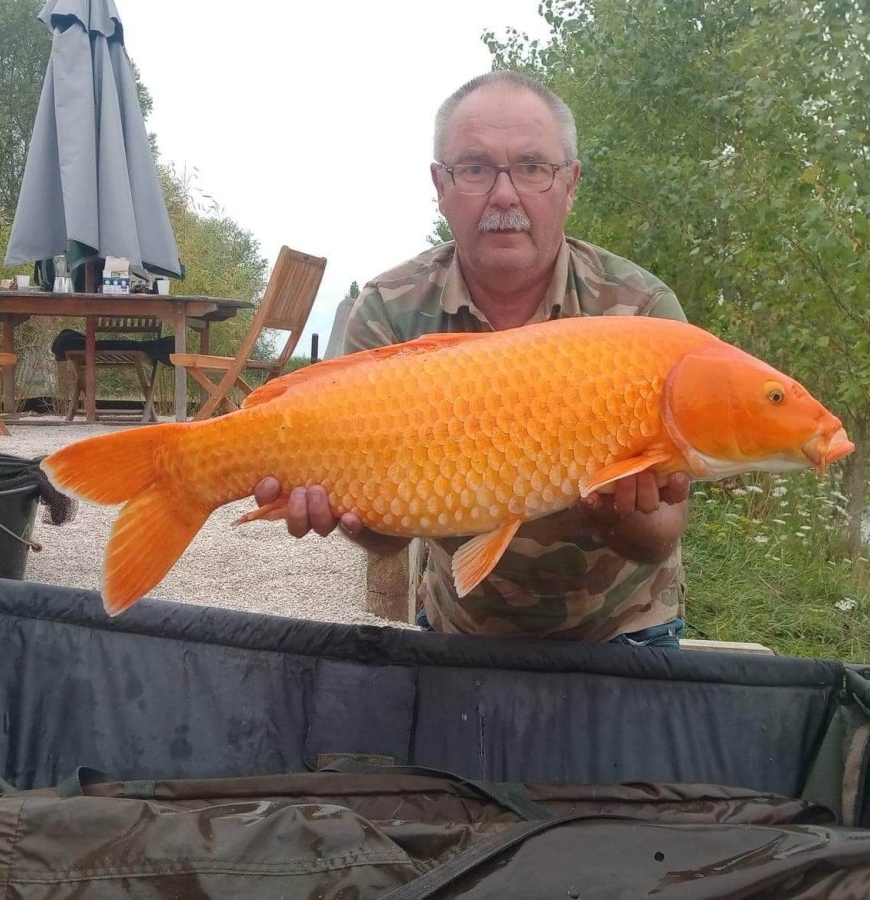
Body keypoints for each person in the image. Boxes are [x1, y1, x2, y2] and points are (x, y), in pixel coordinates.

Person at [254, 70, 691, 647]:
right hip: (457, 631)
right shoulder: (391, 309)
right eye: (475, 168)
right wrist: (346, 509)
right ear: (440, 185)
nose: (504, 194)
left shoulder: (641, 311)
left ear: (571, 183)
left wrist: (613, 506)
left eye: (533, 167)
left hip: (622, 633)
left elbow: (661, 535)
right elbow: (386, 539)